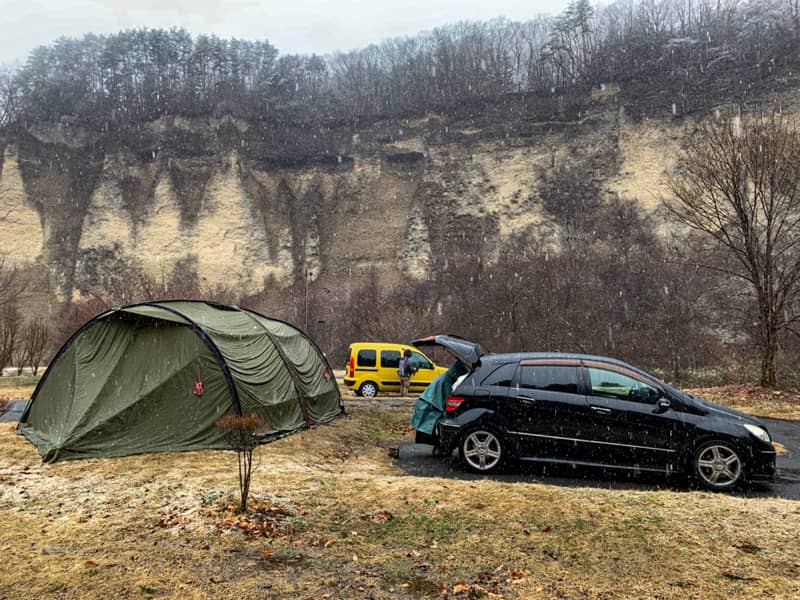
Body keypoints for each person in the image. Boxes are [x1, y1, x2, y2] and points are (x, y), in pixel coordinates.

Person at [410, 359, 468, 452]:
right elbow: (446, 398)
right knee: (430, 428)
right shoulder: (447, 381)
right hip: (429, 405)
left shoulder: (445, 376)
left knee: (427, 428)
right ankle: (435, 448)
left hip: (428, 402)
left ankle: (434, 447)